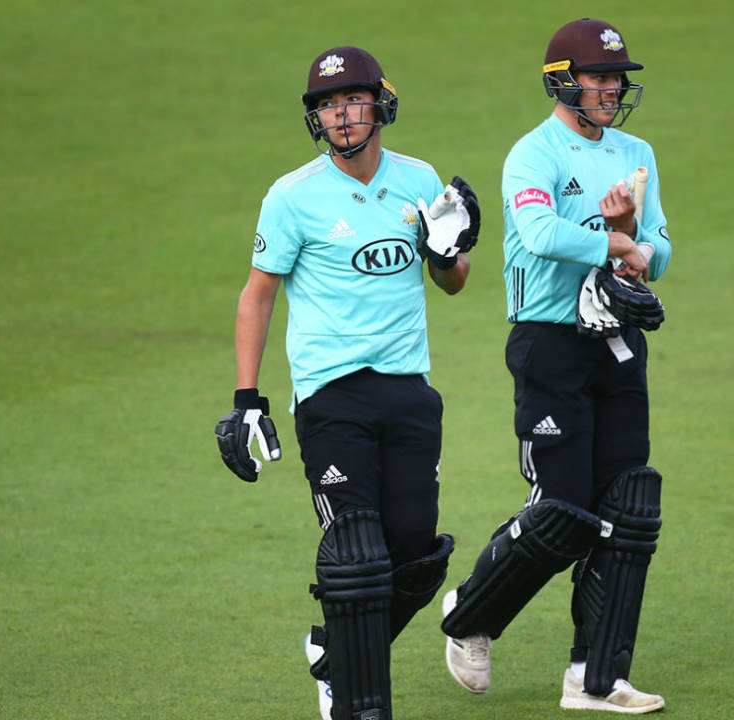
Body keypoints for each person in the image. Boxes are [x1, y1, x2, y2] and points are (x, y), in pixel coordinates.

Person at [214, 46, 480, 720]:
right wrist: (247, 401)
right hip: (331, 396)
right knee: (357, 552)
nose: (340, 114)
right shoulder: (292, 196)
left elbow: (452, 282)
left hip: (409, 391)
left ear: (380, 104)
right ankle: (350, 692)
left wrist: (447, 253)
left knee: (417, 559)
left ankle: (336, 653)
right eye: (327, 105)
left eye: (351, 100)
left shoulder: (420, 180)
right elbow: (257, 296)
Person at [438, 18, 672, 714]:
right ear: (563, 83)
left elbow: (658, 247)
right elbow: (538, 235)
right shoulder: (532, 154)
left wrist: (635, 246)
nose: (611, 88)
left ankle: (596, 678)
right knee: (566, 512)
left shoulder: (637, 152)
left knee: (626, 507)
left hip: (618, 339)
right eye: (598, 77)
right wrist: (612, 238)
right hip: (548, 341)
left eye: (616, 78)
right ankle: (471, 617)